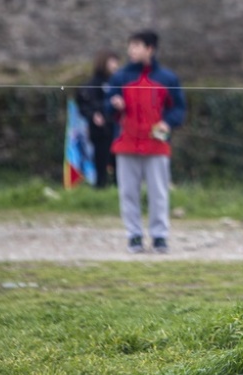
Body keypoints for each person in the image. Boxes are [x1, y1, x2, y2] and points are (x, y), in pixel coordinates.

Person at [105, 30, 186, 254]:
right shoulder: (120, 77)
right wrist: (114, 104)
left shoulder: (168, 78)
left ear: (150, 49)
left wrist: (168, 123)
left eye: (137, 45)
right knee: (128, 193)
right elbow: (106, 106)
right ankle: (134, 236)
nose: (131, 50)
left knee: (158, 192)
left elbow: (178, 108)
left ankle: (160, 236)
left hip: (156, 144)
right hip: (126, 143)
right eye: (130, 45)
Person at [76, 49, 120, 188]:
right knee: (101, 160)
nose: (115, 66)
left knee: (119, 162)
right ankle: (100, 188)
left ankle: (119, 189)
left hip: (117, 128)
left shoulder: (118, 82)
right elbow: (84, 104)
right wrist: (93, 114)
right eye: (112, 62)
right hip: (100, 131)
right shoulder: (92, 84)